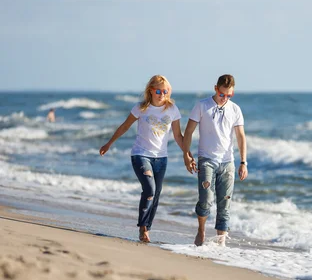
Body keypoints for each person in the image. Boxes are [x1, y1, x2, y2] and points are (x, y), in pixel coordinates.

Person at [99, 75, 184, 243]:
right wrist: (109, 143)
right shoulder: (140, 108)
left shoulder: (172, 109)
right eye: (158, 91)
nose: (161, 94)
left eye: (165, 91)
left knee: (156, 194)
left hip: (161, 158)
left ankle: (147, 228)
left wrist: (187, 154)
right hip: (140, 154)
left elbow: (178, 136)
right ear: (151, 91)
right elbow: (125, 126)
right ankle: (142, 227)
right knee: (150, 189)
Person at [182, 74, 248, 246]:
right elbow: (188, 132)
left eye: (229, 95)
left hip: (228, 162)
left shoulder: (235, 109)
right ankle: (201, 230)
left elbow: (240, 137)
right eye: (222, 94)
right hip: (206, 159)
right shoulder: (202, 106)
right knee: (206, 200)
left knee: (224, 203)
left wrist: (243, 162)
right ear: (215, 89)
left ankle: (221, 244)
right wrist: (186, 154)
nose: (224, 98)